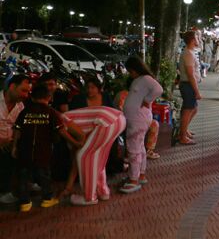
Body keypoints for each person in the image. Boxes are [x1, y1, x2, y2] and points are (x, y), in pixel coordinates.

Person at [12, 83, 84, 211]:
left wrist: (14, 147)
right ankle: (47, 199)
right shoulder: (51, 113)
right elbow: (62, 131)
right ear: (49, 98)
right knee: (44, 176)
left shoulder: (25, 112)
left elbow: (17, 130)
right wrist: (75, 143)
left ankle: (25, 203)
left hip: (24, 152)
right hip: (43, 153)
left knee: (23, 177)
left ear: (32, 98)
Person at [59, 106, 125, 205]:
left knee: (85, 156)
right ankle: (102, 191)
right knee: (97, 156)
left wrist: (68, 188)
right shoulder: (64, 119)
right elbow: (75, 162)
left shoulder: (61, 121)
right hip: (118, 119)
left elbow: (80, 140)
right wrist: (68, 188)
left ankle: (89, 197)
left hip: (107, 121)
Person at [119, 56, 163, 194]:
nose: (130, 73)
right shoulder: (139, 80)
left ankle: (133, 179)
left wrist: (147, 100)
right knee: (139, 147)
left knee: (133, 149)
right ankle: (140, 174)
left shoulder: (146, 79)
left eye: (130, 71)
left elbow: (159, 89)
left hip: (138, 119)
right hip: (136, 118)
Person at [0, 75, 31, 205]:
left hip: (9, 144)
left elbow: (21, 128)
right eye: (23, 91)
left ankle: (8, 190)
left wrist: (14, 143)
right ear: (12, 86)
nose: (26, 95)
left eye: (28, 92)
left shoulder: (20, 107)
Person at [178, 31, 201, 144]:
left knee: (193, 109)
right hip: (188, 85)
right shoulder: (188, 54)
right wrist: (197, 91)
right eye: (197, 37)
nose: (199, 39)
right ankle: (182, 136)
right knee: (188, 110)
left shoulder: (191, 52)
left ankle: (184, 130)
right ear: (192, 40)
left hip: (189, 84)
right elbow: (190, 74)